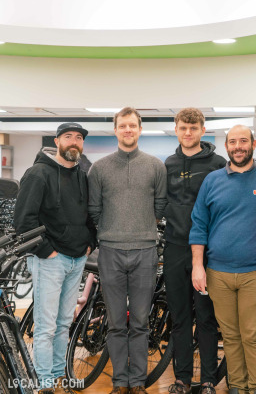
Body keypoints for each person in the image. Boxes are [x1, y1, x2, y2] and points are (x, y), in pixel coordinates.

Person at [190, 125, 256, 394]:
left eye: (243, 141)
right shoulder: (213, 180)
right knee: (230, 335)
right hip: (218, 273)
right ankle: (237, 386)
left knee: (253, 335)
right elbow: (199, 224)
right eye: (232, 142)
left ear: (253, 142)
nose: (238, 146)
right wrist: (197, 266)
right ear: (226, 146)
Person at [88, 107, 167, 394]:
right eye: (123, 126)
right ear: (115, 130)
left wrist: (141, 227)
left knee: (141, 322)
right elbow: (94, 209)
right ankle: (120, 382)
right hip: (110, 252)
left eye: (133, 125)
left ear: (140, 129)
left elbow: (160, 206)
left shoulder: (155, 166)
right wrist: (113, 231)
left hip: (145, 251)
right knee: (116, 322)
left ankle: (137, 383)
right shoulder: (99, 168)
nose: (128, 130)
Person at [14, 122, 97, 394]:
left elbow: (88, 216)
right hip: (50, 260)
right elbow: (23, 222)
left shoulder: (82, 176)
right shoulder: (38, 174)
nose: (74, 142)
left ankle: (59, 376)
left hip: (77, 260)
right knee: (46, 326)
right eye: (68, 137)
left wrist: (89, 243)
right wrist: (46, 251)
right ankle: (44, 382)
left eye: (78, 138)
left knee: (64, 323)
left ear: (82, 145)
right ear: (57, 141)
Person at [164, 108, 226, 394]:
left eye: (193, 128)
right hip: (175, 249)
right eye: (183, 128)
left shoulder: (217, 164)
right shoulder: (169, 164)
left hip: (208, 252)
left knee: (206, 318)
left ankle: (209, 380)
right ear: (176, 129)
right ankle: (182, 378)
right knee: (179, 318)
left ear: (203, 130)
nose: (188, 133)